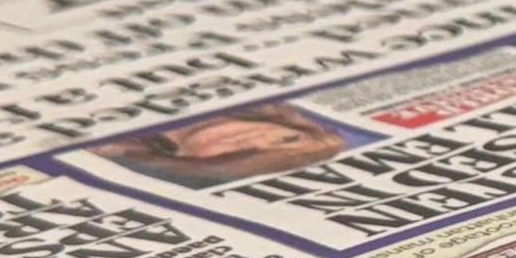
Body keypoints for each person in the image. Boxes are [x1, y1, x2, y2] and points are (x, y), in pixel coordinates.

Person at [90, 101, 351, 188]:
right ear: (293, 125)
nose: (252, 140)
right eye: (286, 139)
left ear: (188, 158)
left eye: (245, 154)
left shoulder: (102, 148)